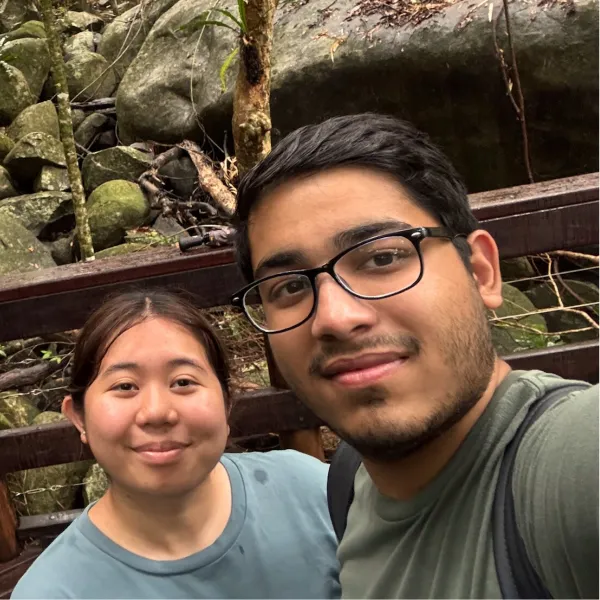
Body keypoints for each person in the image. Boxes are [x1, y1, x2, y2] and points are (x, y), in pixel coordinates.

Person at [230, 113, 599, 599]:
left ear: (482, 271)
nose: (335, 318)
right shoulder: (350, 486)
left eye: (382, 258)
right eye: (291, 286)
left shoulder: (570, 467)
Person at [12, 291, 340, 599]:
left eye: (183, 382)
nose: (157, 412)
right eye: (125, 386)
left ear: (227, 402)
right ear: (79, 417)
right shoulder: (54, 591)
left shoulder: (313, 493)